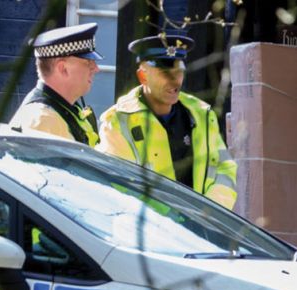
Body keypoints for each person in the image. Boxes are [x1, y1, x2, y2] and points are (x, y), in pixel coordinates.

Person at [97, 34, 238, 210]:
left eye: (179, 72)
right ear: (143, 76)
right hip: (150, 232)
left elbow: (225, 169)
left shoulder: (201, 114)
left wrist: (208, 214)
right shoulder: (118, 122)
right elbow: (119, 185)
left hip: (201, 229)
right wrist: (172, 221)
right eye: (165, 73)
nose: (174, 81)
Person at [10, 23, 102, 147]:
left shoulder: (61, 110)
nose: (96, 69)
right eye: (88, 62)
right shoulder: (44, 119)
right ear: (63, 68)